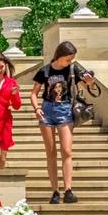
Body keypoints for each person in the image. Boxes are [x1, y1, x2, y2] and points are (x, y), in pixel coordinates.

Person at [32, 41, 96, 204]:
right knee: (51, 153)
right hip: (47, 111)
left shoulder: (73, 69)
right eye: (67, 59)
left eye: (71, 59)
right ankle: (55, 191)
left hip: (65, 111)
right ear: (59, 56)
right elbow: (34, 94)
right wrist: (36, 108)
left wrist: (90, 81)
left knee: (67, 151)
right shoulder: (45, 70)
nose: (69, 61)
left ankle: (68, 190)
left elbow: (88, 83)